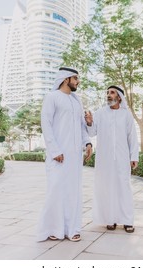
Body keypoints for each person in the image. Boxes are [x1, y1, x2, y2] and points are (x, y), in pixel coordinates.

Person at [37, 67, 93, 242]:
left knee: (73, 192)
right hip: (58, 155)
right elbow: (45, 124)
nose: (78, 82)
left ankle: (73, 229)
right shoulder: (52, 97)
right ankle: (54, 229)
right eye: (75, 78)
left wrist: (88, 143)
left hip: (75, 156)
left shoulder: (77, 101)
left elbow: (82, 127)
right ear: (66, 79)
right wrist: (54, 150)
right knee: (56, 190)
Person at [85, 85, 139, 233]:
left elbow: (132, 137)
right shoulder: (100, 113)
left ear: (119, 97)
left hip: (122, 157)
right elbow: (92, 132)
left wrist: (134, 156)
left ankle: (127, 221)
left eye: (112, 92)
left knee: (124, 187)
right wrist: (89, 122)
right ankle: (110, 219)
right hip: (104, 158)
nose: (109, 95)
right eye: (107, 92)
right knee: (107, 188)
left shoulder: (126, 115)